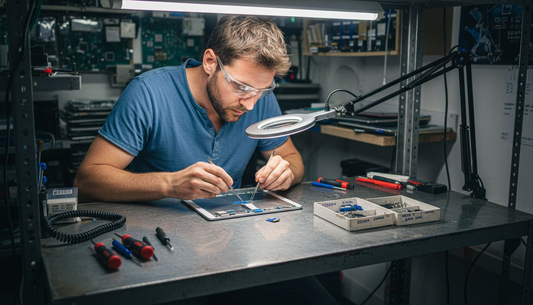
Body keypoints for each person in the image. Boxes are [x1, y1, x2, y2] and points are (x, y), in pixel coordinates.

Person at [74, 15, 305, 202]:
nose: (251, 104)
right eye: (240, 87)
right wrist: (170, 185)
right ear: (210, 62)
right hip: (155, 234)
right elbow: (87, 180)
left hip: (229, 233)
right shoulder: (148, 93)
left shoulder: (259, 97)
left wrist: (286, 173)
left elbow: (291, 157)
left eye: (262, 90)